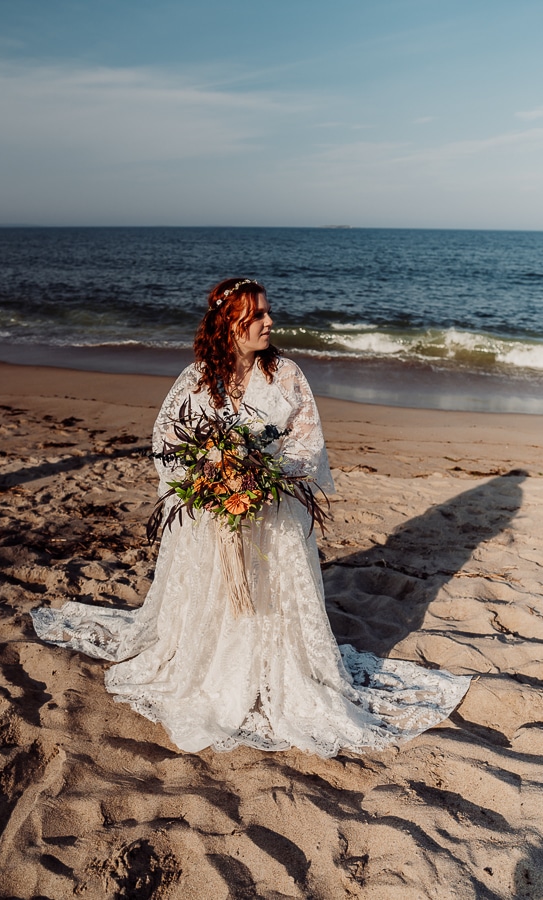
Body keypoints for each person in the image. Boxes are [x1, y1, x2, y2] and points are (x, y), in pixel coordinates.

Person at [31, 277, 470, 758]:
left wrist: (261, 478)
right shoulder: (198, 378)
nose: (269, 321)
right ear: (228, 324)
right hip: (211, 517)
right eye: (256, 315)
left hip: (272, 513)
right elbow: (167, 443)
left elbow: (308, 447)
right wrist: (211, 479)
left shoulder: (286, 374)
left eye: (267, 312)